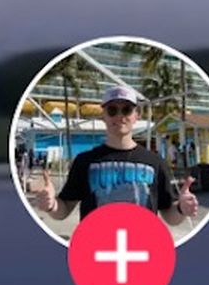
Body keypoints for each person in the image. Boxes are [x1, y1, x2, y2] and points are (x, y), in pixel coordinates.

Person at [30, 84, 198, 227]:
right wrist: (51, 205)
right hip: (95, 246)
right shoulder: (84, 161)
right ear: (103, 116)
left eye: (126, 110)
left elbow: (170, 215)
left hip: (142, 246)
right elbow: (64, 208)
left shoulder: (154, 161)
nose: (119, 116)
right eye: (112, 110)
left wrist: (182, 209)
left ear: (136, 116)